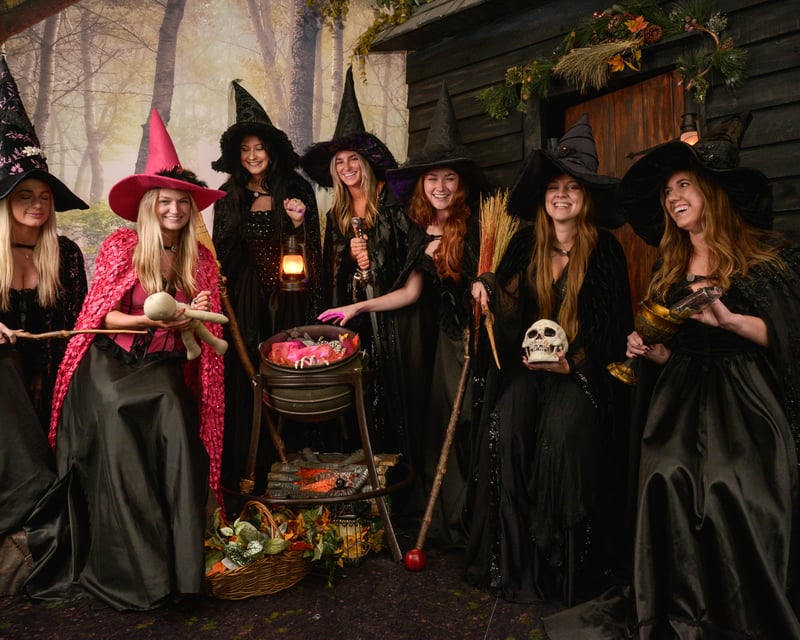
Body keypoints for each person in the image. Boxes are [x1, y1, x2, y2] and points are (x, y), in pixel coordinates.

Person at [544, 113, 800, 639]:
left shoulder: (763, 256)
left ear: (711, 192)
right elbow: (672, 345)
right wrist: (651, 350)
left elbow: (787, 333)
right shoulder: (672, 262)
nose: (673, 197)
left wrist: (731, 321)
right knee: (666, 475)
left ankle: (730, 609)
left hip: (745, 395)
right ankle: (677, 604)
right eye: (667, 191)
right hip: (681, 391)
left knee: (730, 485)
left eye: (683, 185)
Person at [25, 109, 226, 611]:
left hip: (162, 369)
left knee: (177, 422)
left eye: (183, 201)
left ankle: (183, 576)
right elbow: (103, 316)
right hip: (109, 364)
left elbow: (204, 328)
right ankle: (140, 575)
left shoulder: (201, 260)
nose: (174, 209)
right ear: (150, 205)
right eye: (165, 201)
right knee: (117, 415)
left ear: (191, 208)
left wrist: (193, 312)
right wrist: (151, 323)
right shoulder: (123, 246)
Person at [465, 115, 632, 606]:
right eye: (555, 187)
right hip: (528, 368)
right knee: (508, 426)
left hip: (580, 375)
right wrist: (487, 287)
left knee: (561, 434)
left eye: (573, 187)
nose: (562, 195)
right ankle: (513, 563)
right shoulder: (525, 243)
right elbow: (509, 305)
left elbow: (611, 330)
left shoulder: (606, 252)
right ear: (543, 197)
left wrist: (572, 365)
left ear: (586, 197)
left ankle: (562, 568)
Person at [319, 82, 488, 548]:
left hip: (464, 336)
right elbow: (409, 292)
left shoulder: (475, 228)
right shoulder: (421, 228)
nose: (440, 187)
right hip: (430, 338)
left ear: (460, 185)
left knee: (465, 422)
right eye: (432, 180)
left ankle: (465, 517)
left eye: (448, 179)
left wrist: (484, 287)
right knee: (433, 424)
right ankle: (437, 515)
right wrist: (357, 303)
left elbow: (490, 279)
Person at [211, 81, 322, 494]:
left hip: (288, 297)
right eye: (245, 150)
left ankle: (292, 464)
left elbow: (312, 249)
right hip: (245, 300)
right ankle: (250, 469)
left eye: (259, 148)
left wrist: (296, 225)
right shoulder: (228, 195)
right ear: (237, 155)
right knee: (248, 378)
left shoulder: (295, 189)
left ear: (271, 151)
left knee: (286, 373)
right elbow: (222, 251)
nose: (253, 156)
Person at [300, 66, 412, 454]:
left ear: (365, 161)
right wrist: (349, 259)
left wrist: (374, 259)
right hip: (356, 312)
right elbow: (333, 270)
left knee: (392, 388)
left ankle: (394, 459)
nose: (346, 167)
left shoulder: (391, 200)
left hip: (392, 315)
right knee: (362, 389)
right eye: (339, 162)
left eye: (352, 159)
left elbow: (406, 255)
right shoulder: (338, 213)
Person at [0, 54, 88, 545]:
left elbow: (81, 326)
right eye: (24, 195)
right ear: (6, 202)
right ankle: (24, 498)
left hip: (55, 381)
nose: (36, 204)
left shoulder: (66, 254)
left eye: (44, 196)